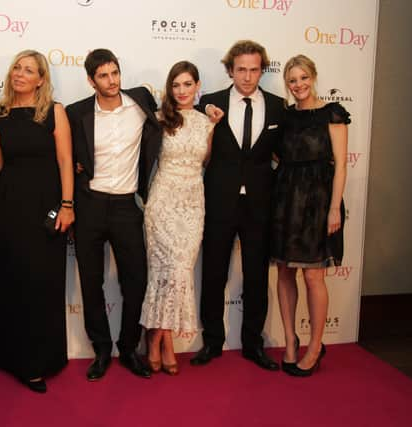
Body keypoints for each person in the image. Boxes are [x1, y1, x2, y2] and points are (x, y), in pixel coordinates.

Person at [65, 48, 161, 381]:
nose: (112, 81)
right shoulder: (76, 113)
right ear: (91, 80)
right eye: (103, 76)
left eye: (115, 73)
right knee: (91, 282)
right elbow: (64, 156)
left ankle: (129, 347)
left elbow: (174, 116)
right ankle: (102, 349)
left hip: (126, 206)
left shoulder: (142, 101)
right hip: (89, 204)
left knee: (136, 280)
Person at [0, 50, 74, 394]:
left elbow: (66, 161)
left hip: (46, 208)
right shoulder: (0, 113)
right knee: (13, 281)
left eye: (29, 70)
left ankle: (39, 361)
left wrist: (67, 205)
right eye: (17, 68)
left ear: (41, 79)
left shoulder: (54, 112)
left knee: (42, 283)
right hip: (10, 207)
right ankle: (10, 357)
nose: (20, 74)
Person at [191, 40, 284, 371]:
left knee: (257, 276)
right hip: (219, 200)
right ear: (230, 70)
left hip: (260, 204)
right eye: (241, 69)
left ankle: (253, 344)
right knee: (214, 273)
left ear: (262, 70)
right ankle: (212, 342)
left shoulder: (277, 106)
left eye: (254, 69)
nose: (247, 76)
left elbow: (282, 156)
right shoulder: (210, 103)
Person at [271, 54, 349, 377]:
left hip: (318, 200)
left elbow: (342, 165)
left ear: (313, 77)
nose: (298, 85)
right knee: (285, 272)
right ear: (287, 84)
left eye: (303, 78)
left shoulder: (332, 113)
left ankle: (316, 346)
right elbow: (276, 154)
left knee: (314, 275)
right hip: (286, 199)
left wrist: (334, 207)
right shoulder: (285, 116)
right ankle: (290, 341)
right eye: (292, 80)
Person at [139, 61, 215, 376]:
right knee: (162, 273)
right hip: (162, 204)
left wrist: (214, 119)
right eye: (176, 85)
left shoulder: (209, 123)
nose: (182, 91)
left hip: (193, 204)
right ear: (169, 89)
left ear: (198, 86)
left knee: (179, 273)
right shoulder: (158, 120)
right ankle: (164, 344)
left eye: (187, 84)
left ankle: (155, 337)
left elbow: (207, 163)